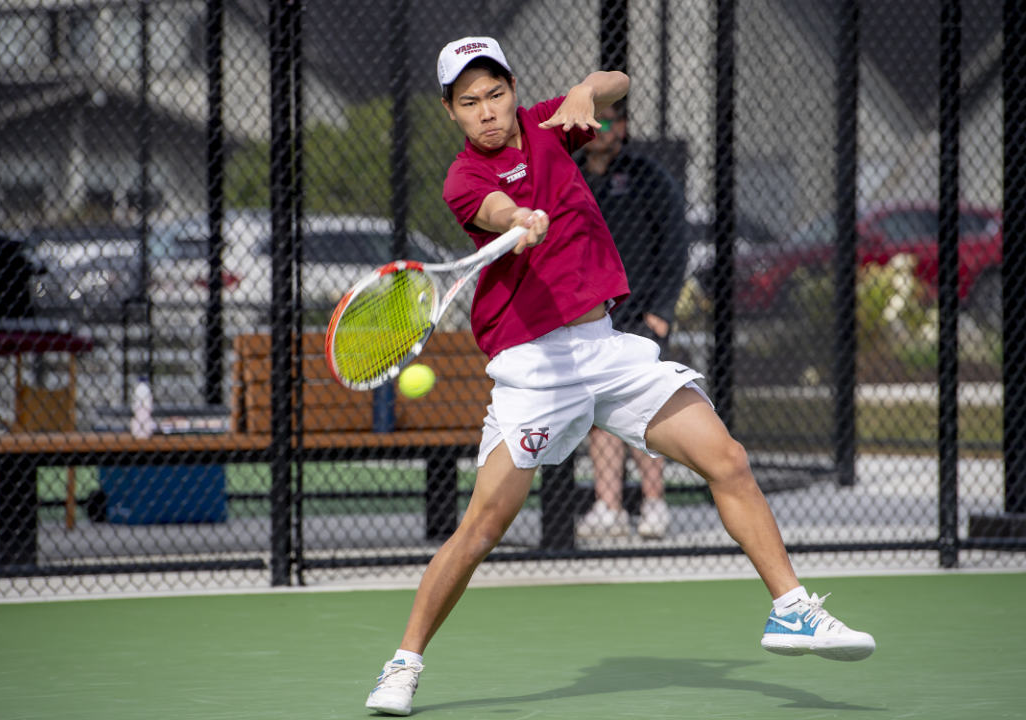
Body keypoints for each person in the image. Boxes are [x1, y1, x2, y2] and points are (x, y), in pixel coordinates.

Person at [365, 36, 874, 717]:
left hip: (605, 346)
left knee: (727, 459)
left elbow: (619, 80)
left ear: (513, 90)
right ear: (451, 112)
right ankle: (404, 663)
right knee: (482, 527)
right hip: (533, 366)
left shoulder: (548, 126)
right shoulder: (465, 179)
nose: (486, 111)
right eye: (469, 102)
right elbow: (490, 210)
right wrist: (517, 218)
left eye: (494, 94)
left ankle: (790, 609)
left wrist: (585, 92)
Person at [575, 99, 689, 540]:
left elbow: (675, 247)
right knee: (603, 412)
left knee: (647, 410)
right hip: (592, 321)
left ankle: (654, 504)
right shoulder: (571, 175)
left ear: (622, 127)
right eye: (593, 121)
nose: (600, 129)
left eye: (609, 121)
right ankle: (609, 507)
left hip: (643, 319)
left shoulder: (649, 178)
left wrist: (660, 313)